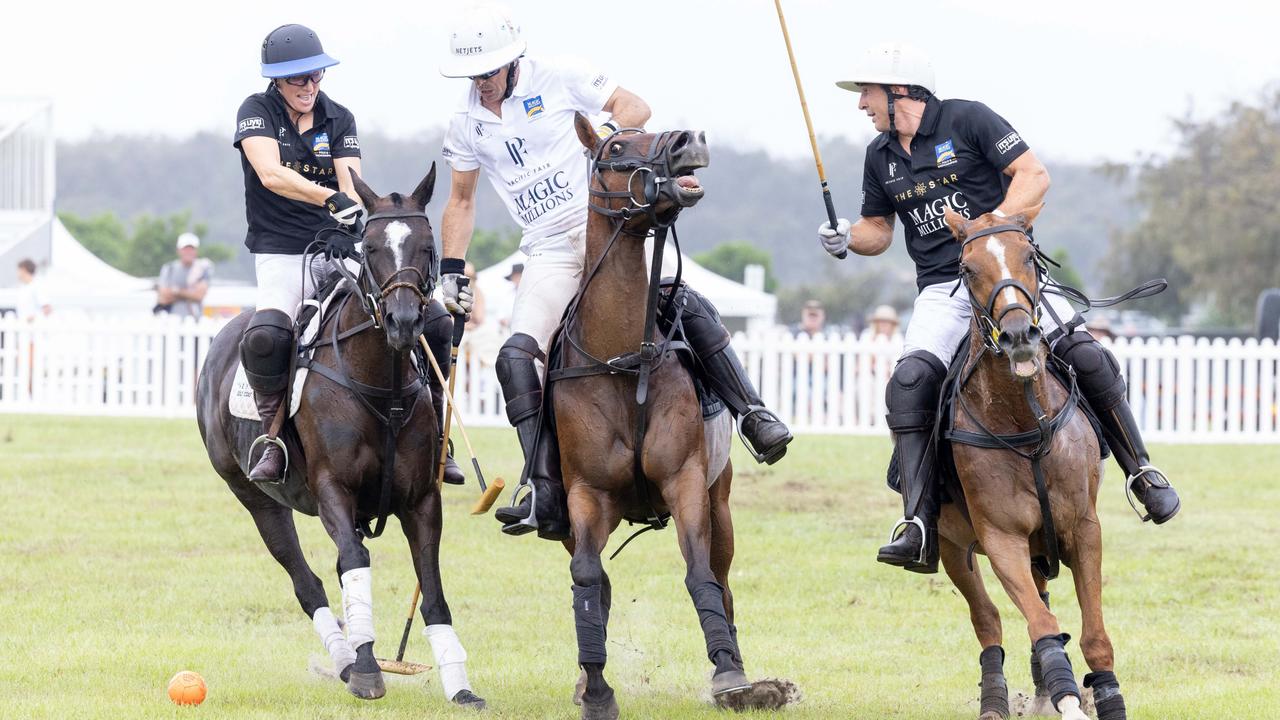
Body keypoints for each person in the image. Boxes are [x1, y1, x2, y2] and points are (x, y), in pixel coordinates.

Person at [818, 42, 1180, 573]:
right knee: (910, 382)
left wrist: (992, 232)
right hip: (944, 288)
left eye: (867, 93)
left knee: (1087, 354)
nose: (860, 105)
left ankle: (1141, 472)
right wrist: (847, 236)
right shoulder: (881, 156)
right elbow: (878, 230)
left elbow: (1034, 176)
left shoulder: (969, 119)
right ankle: (917, 523)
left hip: (1008, 272)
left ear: (900, 92)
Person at [437, 4, 792, 540]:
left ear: (512, 61)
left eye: (488, 72)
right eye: (473, 76)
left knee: (683, 303)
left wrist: (606, 137)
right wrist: (450, 270)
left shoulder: (559, 75)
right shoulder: (465, 121)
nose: (481, 85)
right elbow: (461, 201)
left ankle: (752, 414)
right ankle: (543, 487)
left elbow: (635, 106)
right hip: (549, 248)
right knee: (516, 356)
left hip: (607, 226)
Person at [231, 24, 462, 486]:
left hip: (339, 245)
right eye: (298, 79)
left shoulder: (339, 118)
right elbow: (271, 174)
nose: (309, 87)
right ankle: (273, 437)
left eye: (315, 76)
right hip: (280, 252)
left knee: (433, 320)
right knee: (269, 336)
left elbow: (349, 184)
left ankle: (437, 430)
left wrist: (349, 218)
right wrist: (327, 200)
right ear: (276, 80)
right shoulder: (255, 112)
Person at [155, 233, 212, 318]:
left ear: (196, 250)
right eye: (185, 249)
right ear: (178, 250)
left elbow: (199, 295)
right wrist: (190, 293)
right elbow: (163, 297)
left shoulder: (203, 268)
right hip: (171, 319)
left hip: (195, 320)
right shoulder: (169, 268)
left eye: (191, 249)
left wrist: (176, 291)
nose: (188, 252)